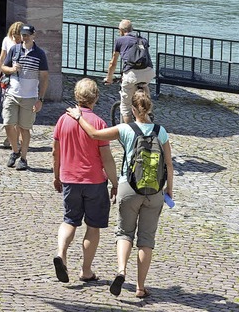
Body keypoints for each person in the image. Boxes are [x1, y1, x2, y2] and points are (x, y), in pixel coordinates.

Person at [67, 89, 174, 299]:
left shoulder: (125, 129)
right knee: (146, 240)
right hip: (154, 191)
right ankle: (141, 287)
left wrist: (79, 117)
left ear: (133, 109)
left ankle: (121, 270)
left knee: (125, 233)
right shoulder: (161, 132)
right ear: (149, 108)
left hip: (128, 188)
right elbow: (168, 164)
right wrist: (169, 189)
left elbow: (94, 134)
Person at [52, 78, 118, 283]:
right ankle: (86, 270)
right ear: (96, 97)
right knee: (93, 226)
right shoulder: (98, 123)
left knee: (69, 220)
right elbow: (106, 158)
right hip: (95, 182)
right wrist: (115, 183)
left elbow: (56, 152)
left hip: (70, 179)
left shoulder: (63, 120)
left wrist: (56, 175)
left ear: (76, 96)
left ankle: (61, 254)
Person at [0, 23, 49, 171]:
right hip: (12, 94)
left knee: (24, 128)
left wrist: (40, 99)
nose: (24, 37)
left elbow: (45, 78)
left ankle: (23, 158)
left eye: (27, 34)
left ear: (33, 36)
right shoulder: (14, 49)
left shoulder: (39, 54)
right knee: (8, 124)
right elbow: (3, 67)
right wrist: (12, 69)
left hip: (29, 97)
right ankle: (15, 150)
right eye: (22, 34)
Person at [104, 19, 155, 124]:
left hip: (132, 75)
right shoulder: (143, 40)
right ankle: (148, 110)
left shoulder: (120, 40)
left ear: (121, 31)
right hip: (148, 73)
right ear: (132, 29)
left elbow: (113, 63)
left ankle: (131, 136)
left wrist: (109, 78)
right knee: (144, 85)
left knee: (126, 107)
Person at [0, 21, 23, 148]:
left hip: (20, 80)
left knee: (18, 110)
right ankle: (11, 136)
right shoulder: (7, 40)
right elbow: (1, 59)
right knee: (7, 108)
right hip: (7, 78)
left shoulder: (25, 44)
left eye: (17, 37)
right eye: (14, 37)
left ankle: (14, 139)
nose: (15, 39)